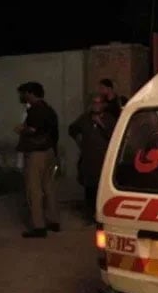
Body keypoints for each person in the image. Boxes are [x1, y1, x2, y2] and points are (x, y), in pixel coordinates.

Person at [15, 82, 60, 238]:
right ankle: (54, 221)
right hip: (49, 152)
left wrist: (21, 129)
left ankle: (38, 227)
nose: (21, 96)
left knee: (34, 190)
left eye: (22, 93)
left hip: (36, 154)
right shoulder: (49, 109)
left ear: (30, 93)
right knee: (49, 187)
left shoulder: (35, 110)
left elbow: (32, 130)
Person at [68, 94, 117, 223]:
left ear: (104, 105)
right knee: (89, 187)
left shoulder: (109, 119)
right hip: (88, 158)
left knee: (100, 189)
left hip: (103, 160)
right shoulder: (85, 118)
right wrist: (79, 139)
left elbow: (114, 136)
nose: (95, 105)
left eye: (98, 103)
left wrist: (100, 124)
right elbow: (72, 129)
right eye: (93, 103)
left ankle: (101, 215)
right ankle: (89, 215)